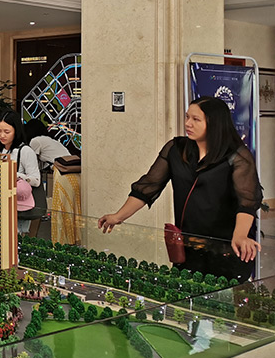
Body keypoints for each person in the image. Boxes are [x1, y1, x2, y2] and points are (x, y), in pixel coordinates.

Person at [98, 96, 262, 282]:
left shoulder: (237, 156)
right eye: (187, 117)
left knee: (221, 296)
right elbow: (148, 186)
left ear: (214, 123)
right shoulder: (176, 149)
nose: (188, 123)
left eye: (196, 119)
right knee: (185, 293)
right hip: (188, 245)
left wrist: (240, 235)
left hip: (225, 248)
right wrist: (118, 216)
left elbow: (247, 202)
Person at [0, 110, 42, 234]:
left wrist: (14, 175)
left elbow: (36, 180)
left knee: (16, 236)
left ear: (16, 130)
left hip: (19, 205)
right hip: (1, 204)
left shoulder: (25, 151)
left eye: (7, 132)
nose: (2, 135)